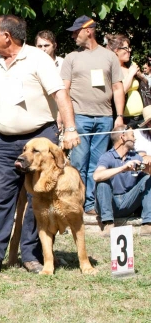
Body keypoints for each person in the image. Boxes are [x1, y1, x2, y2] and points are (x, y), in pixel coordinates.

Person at [0, 14, 80, 275]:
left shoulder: (38, 59)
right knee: (0, 198)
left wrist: (71, 129)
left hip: (40, 140)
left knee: (37, 199)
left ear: (7, 36)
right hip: (6, 142)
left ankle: (32, 256)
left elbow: (60, 94)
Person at [61, 15, 124, 215]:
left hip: (105, 118)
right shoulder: (71, 58)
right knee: (79, 162)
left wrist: (119, 116)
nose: (73, 36)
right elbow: (64, 89)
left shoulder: (109, 57)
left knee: (96, 164)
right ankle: (75, 202)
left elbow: (117, 87)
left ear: (89, 31)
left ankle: (90, 204)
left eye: (75, 31)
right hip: (79, 117)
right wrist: (63, 118)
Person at [93, 125, 151, 237]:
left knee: (148, 179)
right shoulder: (107, 157)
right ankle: (108, 223)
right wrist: (122, 168)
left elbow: (147, 176)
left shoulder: (136, 157)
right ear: (123, 137)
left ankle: (148, 224)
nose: (135, 139)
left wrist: (149, 169)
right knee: (102, 182)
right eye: (132, 136)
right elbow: (96, 176)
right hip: (110, 203)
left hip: (128, 202)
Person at [106, 34, 147, 127]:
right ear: (116, 51)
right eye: (126, 48)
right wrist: (131, 74)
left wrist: (140, 76)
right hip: (125, 120)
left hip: (141, 117)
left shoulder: (130, 65)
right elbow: (119, 92)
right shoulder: (111, 70)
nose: (129, 50)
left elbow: (146, 86)